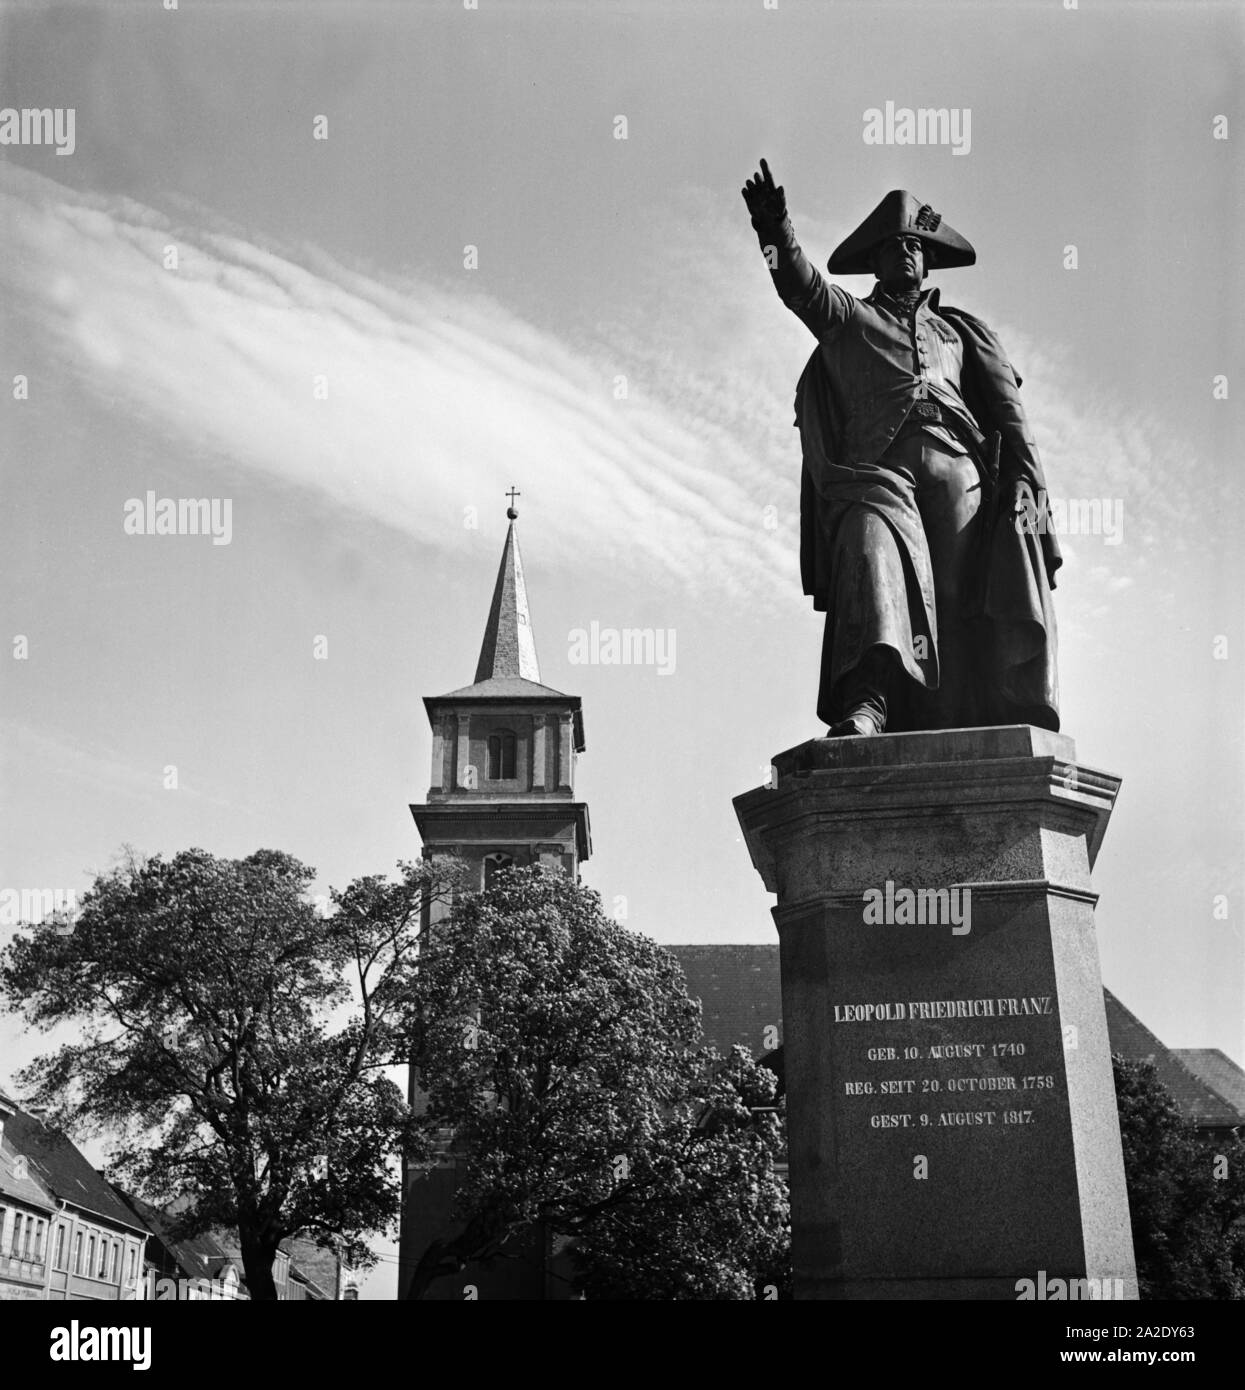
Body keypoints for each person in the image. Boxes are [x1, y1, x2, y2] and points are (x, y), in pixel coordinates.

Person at [742, 160, 1060, 736]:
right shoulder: (851, 320)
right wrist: (775, 233)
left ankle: (974, 713)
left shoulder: (962, 334)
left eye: (915, 244)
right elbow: (801, 287)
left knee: (960, 603)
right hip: (879, 479)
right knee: (868, 545)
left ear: (928, 257)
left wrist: (1027, 484)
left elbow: (1011, 419)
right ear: (876, 261)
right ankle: (870, 700)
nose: (905, 253)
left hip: (959, 474)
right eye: (893, 246)